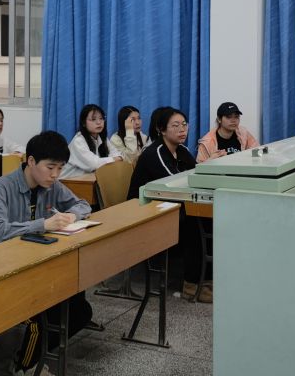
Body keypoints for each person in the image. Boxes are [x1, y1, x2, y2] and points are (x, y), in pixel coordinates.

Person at [0, 131, 93, 376]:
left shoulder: (51, 185)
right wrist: (42, 224)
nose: (55, 175)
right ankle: (23, 371)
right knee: (39, 315)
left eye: (60, 168)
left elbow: (83, 204)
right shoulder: (2, 187)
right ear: (30, 161)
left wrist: (71, 215)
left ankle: (29, 359)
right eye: (50, 167)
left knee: (79, 309)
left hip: (34, 265)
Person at [128, 107, 210, 302]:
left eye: (184, 125)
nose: (182, 129)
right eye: (175, 125)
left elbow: (195, 175)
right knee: (195, 224)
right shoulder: (154, 153)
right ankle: (192, 285)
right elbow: (175, 183)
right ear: (161, 130)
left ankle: (206, 279)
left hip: (168, 205)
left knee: (206, 219)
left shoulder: (182, 150)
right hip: (145, 211)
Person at [60, 104, 121, 180]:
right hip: (68, 181)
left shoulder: (102, 138)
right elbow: (93, 164)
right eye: (93, 119)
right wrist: (114, 159)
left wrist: (116, 158)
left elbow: (117, 154)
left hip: (87, 179)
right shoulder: (78, 141)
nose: (99, 122)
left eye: (101, 118)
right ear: (84, 123)